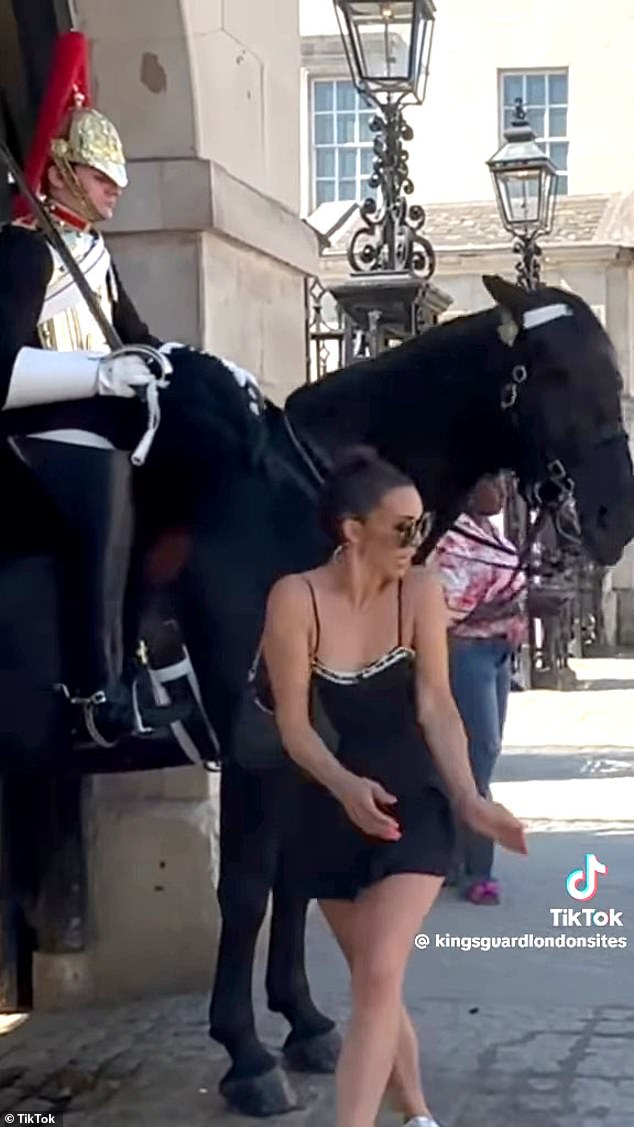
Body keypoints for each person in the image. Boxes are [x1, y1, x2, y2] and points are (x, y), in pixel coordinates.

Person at [261, 447, 527, 1127]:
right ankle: (416, 1113)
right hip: (327, 802)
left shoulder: (422, 591)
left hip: (413, 804)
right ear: (353, 531)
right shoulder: (296, 598)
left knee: (380, 976)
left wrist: (468, 796)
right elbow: (294, 725)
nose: (418, 539)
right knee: (373, 984)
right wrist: (345, 785)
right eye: (403, 527)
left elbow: (437, 705)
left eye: (423, 524)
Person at [0, 31, 203, 748]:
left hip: (90, 423)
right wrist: (97, 374)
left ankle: (151, 650)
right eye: (99, 176)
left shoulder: (91, 253)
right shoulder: (26, 251)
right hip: (32, 439)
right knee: (106, 472)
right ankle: (96, 685)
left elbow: (134, 336)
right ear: (58, 169)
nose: (114, 188)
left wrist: (182, 366)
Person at [431, 473, 527, 905]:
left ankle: (450, 858)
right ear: (469, 488)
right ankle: (478, 872)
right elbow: (446, 609)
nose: (502, 491)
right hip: (466, 653)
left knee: (481, 755)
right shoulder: (449, 539)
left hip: (497, 653)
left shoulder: (492, 534)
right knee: (478, 758)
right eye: (492, 481)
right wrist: (522, 604)